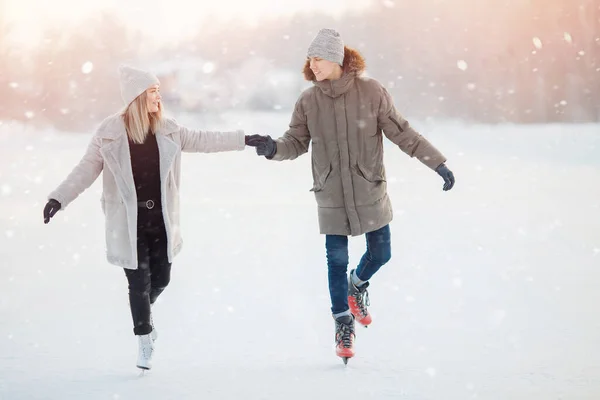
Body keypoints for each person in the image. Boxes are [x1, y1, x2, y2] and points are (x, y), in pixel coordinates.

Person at [245, 28, 455, 363]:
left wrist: (437, 163)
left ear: (336, 58)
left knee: (381, 253)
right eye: (309, 59)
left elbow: (402, 132)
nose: (312, 65)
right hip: (330, 192)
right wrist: (273, 148)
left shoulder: (371, 92)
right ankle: (343, 323)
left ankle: (357, 285)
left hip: (368, 187)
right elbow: (295, 142)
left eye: (318, 58)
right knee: (336, 260)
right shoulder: (308, 101)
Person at [43, 65, 255, 370]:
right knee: (138, 283)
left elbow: (206, 139)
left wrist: (245, 139)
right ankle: (143, 338)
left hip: (161, 221)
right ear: (138, 97)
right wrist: (58, 197)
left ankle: (143, 313)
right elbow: (86, 169)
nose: (159, 97)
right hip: (128, 223)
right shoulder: (109, 135)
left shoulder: (169, 130)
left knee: (162, 278)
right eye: (153, 91)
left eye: (158, 90)